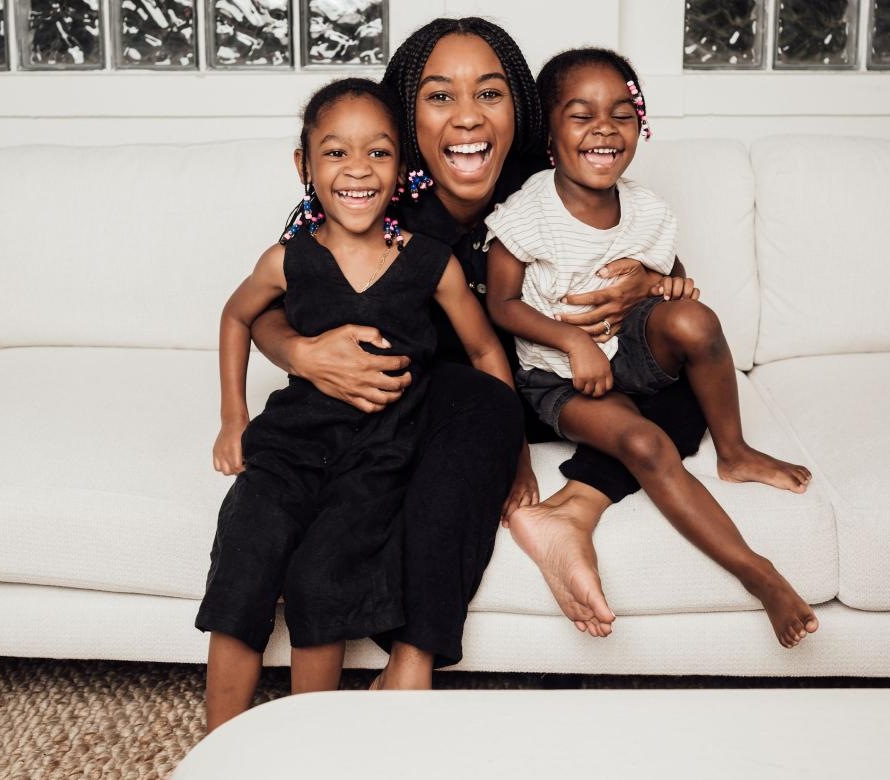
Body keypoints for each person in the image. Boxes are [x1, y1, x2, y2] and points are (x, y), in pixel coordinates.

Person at [250, 17, 709, 682]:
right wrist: (300, 351)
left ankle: (573, 511)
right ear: (405, 119)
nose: (467, 117)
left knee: (689, 357)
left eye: (488, 95)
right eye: (440, 97)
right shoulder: (369, 197)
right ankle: (412, 656)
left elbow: (671, 293)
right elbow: (265, 305)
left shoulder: (551, 185)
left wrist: (645, 283)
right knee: (453, 407)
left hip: (552, 379)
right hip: (441, 405)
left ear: (518, 112)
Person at [196, 77, 516, 732]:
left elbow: (485, 353)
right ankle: (217, 747)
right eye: (336, 153)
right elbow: (236, 316)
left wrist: (508, 454)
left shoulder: (432, 265)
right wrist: (234, 417)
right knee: (246, 559)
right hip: (289, 449)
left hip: (377, 461)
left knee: (322, 579)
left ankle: (313, 744)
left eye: (378, 153)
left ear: (401, 170)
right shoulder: (288, 259)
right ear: (304, 166)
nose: (357, 170)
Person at [486, 47, 818, 649]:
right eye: (581, 115)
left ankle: (736, 451)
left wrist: (661, 285)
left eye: (620, 113)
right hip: (558, 377)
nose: (604, 128)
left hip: (631, 353)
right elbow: (501, 305)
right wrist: (571, 342)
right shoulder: (528, 213)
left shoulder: (647, 209)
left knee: (695, 320)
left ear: (639, 126)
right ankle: (758, 574)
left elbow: (668, 278)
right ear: (550, 136)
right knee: (646, 442)